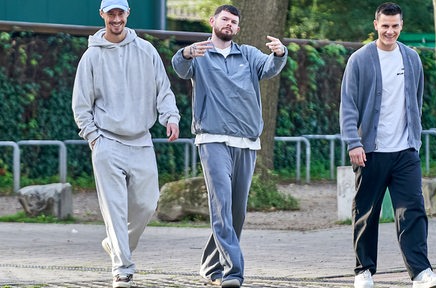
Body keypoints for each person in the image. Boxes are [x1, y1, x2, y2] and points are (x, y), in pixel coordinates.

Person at [171, 4, 287, 288]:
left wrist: (280, 53)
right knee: (221, 205)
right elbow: (181, 68)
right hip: (212, 140)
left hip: (246, 142)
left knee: (236, 212)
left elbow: (269, 68)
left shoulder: (247, 54)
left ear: (237, 28)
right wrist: (185, 52)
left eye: (234, 22)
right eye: (225, 19)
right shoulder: (200, 52)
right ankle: (232, 272)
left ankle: (210, 265)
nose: (229, 24)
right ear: (213, 21)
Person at [71, 0, 180, 287]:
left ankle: (116, 244)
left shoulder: (146, 51)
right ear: (102, 15)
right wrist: (93, 137)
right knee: (114, 208)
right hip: (107, 142)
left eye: (120, 13)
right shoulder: (91, 57)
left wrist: (171, 116)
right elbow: (81, 104)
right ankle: (123, 267)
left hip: (141, 140)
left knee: (146, 204)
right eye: (111, 13)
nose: (116, 19)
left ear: (127, 15)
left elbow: (163, 90)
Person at [339, 2, 436, 288]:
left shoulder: (411, 58)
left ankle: (421, 272)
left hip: (405, 152)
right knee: (366, 212)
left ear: (402, 26)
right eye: (385, 25)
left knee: (412, 210)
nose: (390, 31)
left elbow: (416, 99)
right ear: (375, 25)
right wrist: (354, 142)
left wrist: (415, 139)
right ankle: (363, 271)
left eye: (395, 26)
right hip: (370, 151)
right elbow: (348, 105)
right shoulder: (360, 59)